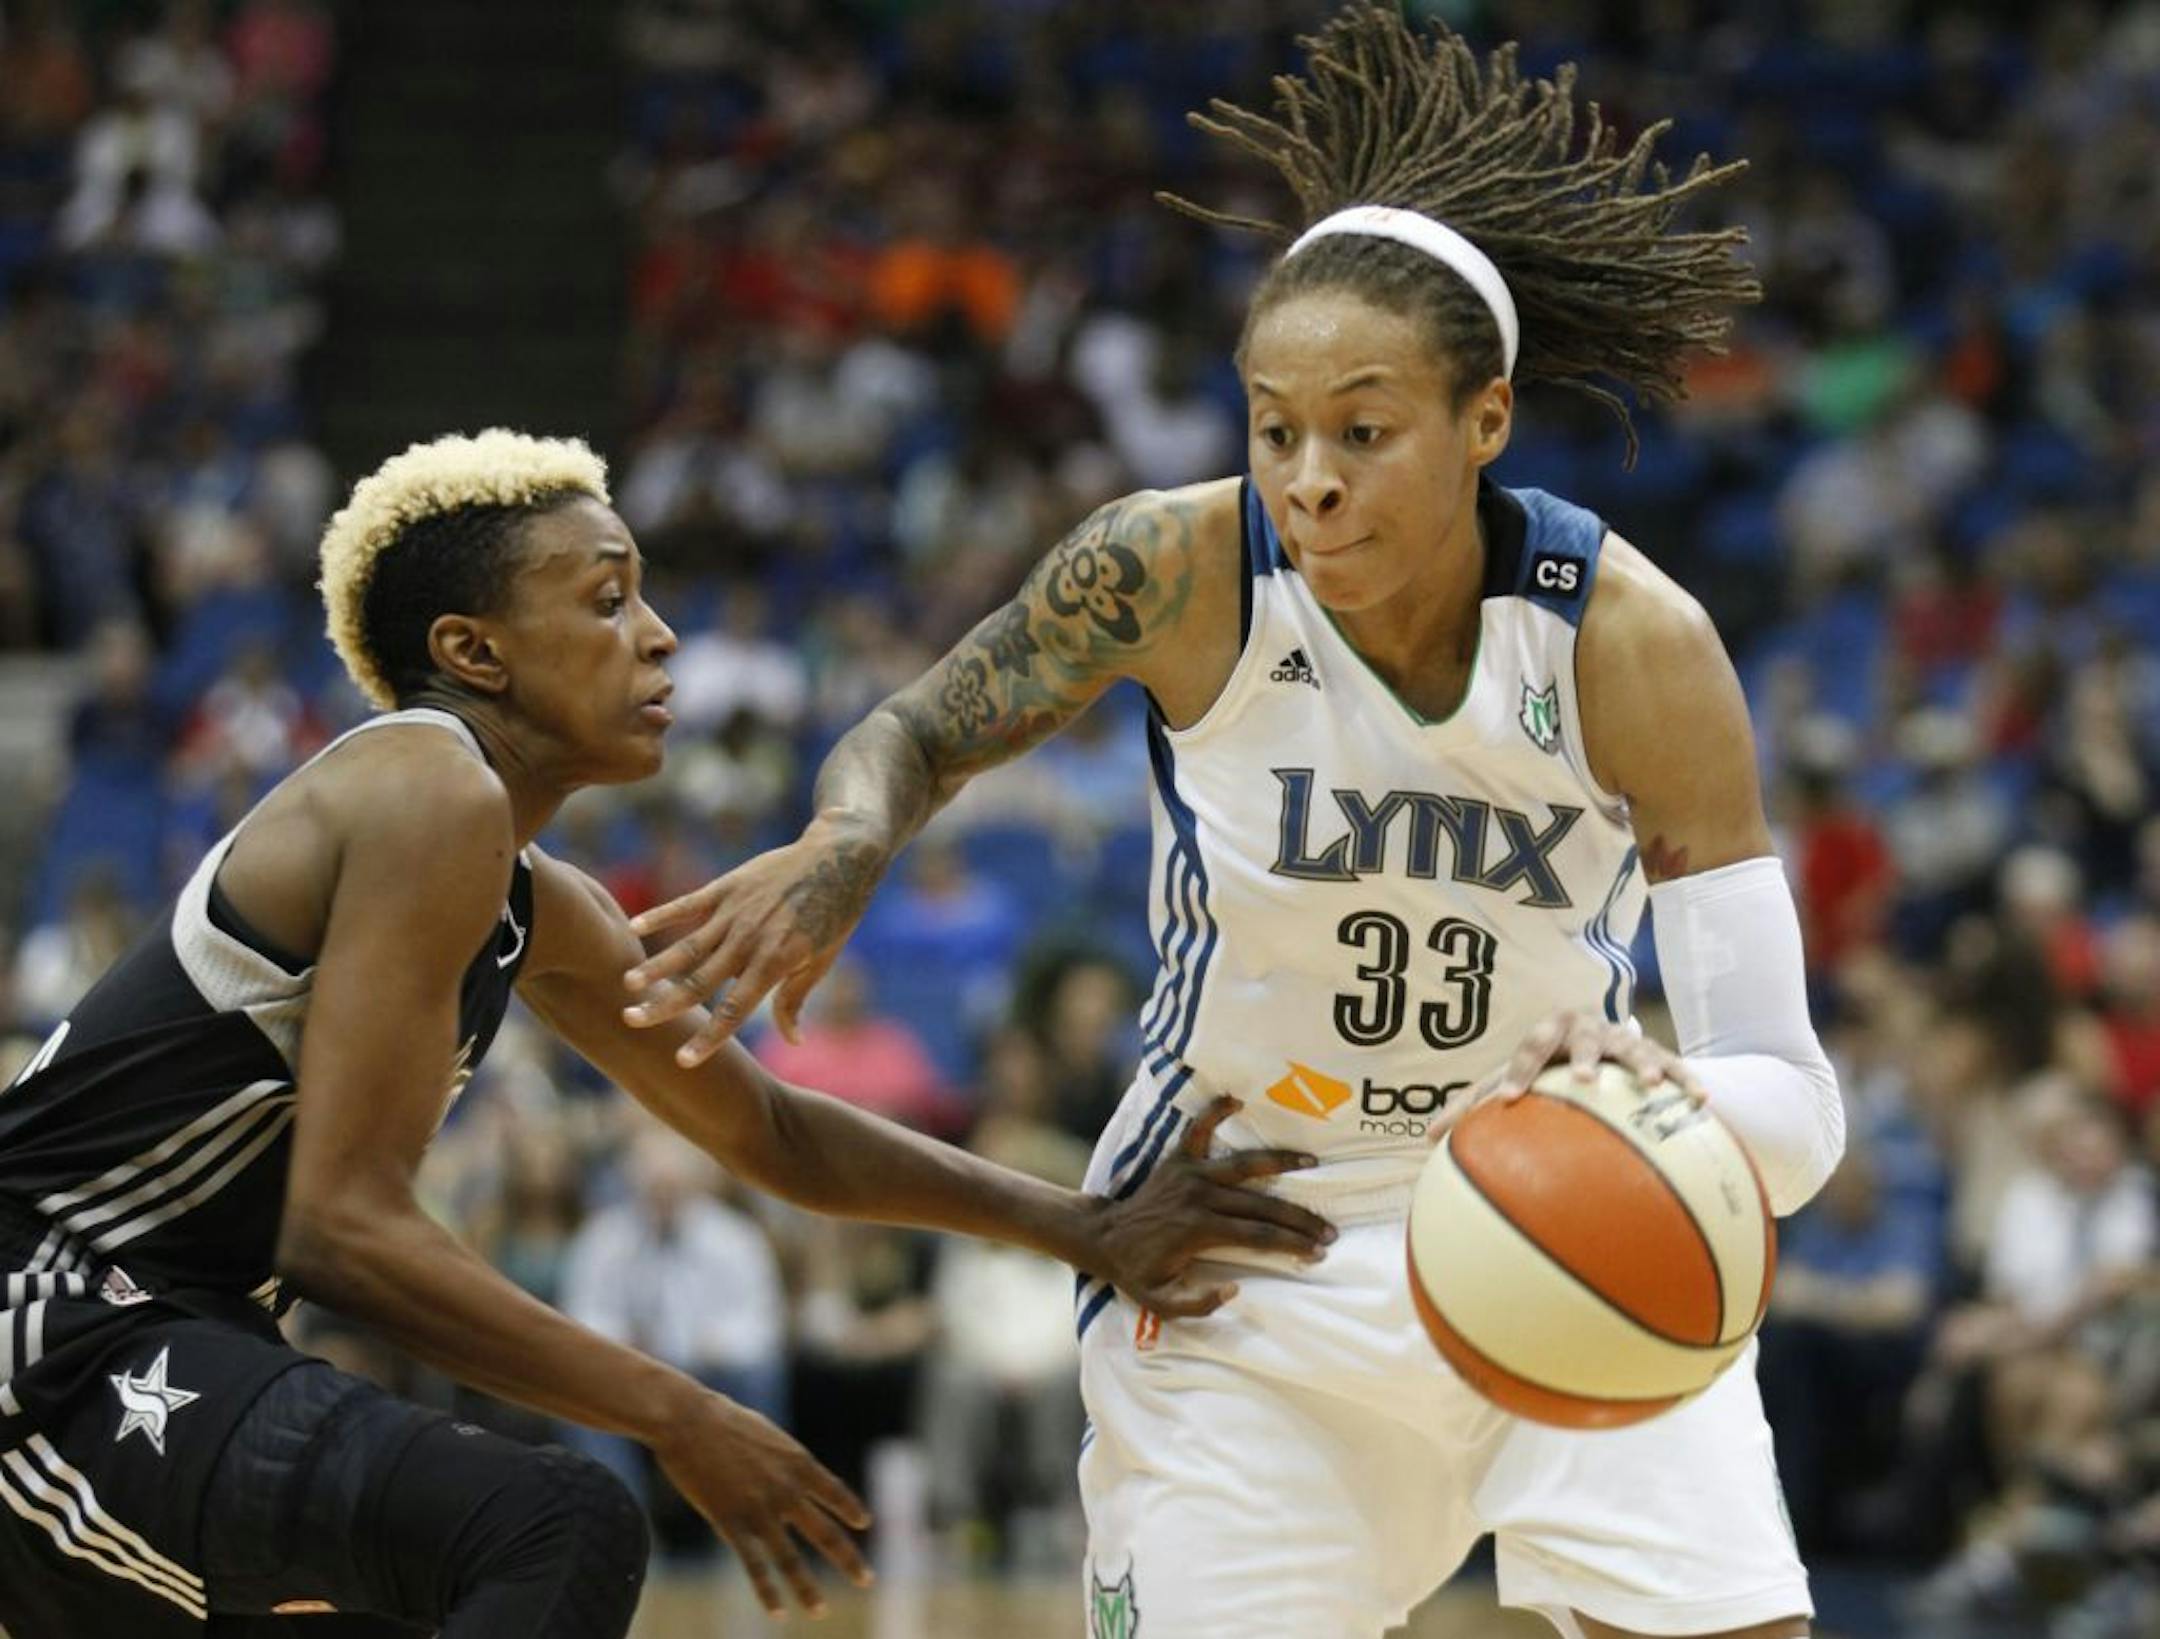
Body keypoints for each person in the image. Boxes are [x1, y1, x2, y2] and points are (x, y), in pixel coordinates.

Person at [622, 10, 1846, 1638]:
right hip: (1241, 1241)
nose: (1309, 479)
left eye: (1364, 428)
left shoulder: (1631, 641)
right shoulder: (1177, 570)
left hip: (1572, 1208)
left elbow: (1798, 1107)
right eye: (1275, 428)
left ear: (1485, 421)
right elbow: (913, 729)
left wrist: (1670, 1103)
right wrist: (853, 834)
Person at [0, 429, 1331, 1639]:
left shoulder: (529, 895)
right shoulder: (424, 784)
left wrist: (1082, 1226)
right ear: (475, 653)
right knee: (549, 1527)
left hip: (165, 1341)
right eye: (607, 597)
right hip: (55, 1329)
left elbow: (766, 1129)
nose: (661, 636)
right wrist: (678, 1411)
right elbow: (343, 1228)